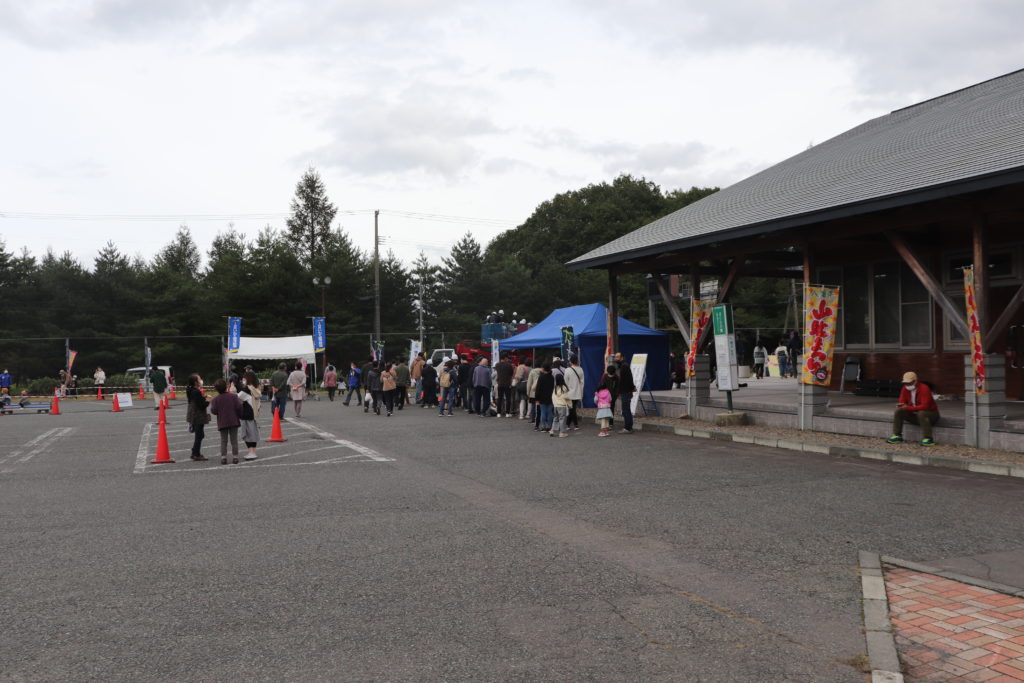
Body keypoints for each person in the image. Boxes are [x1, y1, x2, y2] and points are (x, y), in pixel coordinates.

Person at [887, 371, 940, 446]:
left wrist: (908, 408)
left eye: (910, 383)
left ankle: (928, 438)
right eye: (905, 383)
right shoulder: (905, 389)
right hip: (916, 415)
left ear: (915, 381)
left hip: (931, 416)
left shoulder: (924, 388)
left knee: (922, 413)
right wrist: (901, 406)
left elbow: (925, 406)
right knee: (898, 411)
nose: (907, 385)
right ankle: (897, 436)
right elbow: (902, 401)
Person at [209, 378, 242, 465]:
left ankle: (223, 458)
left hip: (222, 421)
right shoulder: (234, 396)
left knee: (224, 441)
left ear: (216, 389)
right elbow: (239, 407)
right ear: (226, 386)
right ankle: (235, 457)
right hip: (233, 420)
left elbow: (214, 411)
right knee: (234, 440)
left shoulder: (215, 399)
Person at [185, 373, 210, 461]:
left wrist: (203, 397)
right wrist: (207, 401)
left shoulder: (191, 389)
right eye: (199, 379)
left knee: (200, 434)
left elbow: (197, 401)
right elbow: (201, 406)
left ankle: (194, 451)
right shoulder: (196, 391)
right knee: (199, 435)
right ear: (195, 382)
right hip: (197, 416)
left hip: (193, 415)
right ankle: (196, 454)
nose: (201, 380)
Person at [238, 371, 261, 460]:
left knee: (247, 434)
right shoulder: (256, 389)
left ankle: (251, 452)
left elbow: (237, 398)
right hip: (254, 414)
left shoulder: (246, 390)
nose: (242, 380)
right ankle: (253, 452)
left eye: (244, 378)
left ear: (247, 379)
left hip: (246, 414)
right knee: (253, 433)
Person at [614, 352, 635, 434]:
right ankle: (629, 427)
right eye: (615, 357)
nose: (616, 359)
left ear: (622, 358)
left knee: (626, 410)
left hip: (626, 391)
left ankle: (627, 428)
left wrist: (631, 388)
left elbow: (629, 379)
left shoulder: (624, 366)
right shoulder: (623, 366)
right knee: (627, 410)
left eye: (618, 357)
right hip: (626, 391)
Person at [564, 356, 584, 431]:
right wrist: (581, 392)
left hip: (569, 393)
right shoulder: (581, 369)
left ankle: (568, 424)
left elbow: (565, 382)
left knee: (571, 409)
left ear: (571, 362)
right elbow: (582, 382)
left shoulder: (567, 370)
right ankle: (575, 425)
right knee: (573, 409)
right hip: (578, 392)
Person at [534, 362, 555, 432]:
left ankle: (543, 426)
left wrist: (536, 398)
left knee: (543, 412)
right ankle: (549, 426)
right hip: (550, 397)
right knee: (549, 413)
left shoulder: (541, 377)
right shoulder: (552, 377)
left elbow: (538, 388)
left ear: (544, 369)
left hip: (542, 397)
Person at [494, 352, 515, 417]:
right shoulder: (509, 365)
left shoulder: (497, 365)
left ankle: (498, 413)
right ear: (505, 358)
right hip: (507, 384)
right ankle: (507, 413)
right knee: (508, 399)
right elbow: (511, 374)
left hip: (500, 383)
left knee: (500, 398)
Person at [551, 373, 571, 438]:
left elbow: (553, 397)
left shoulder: (555, 388)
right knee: (562, 419)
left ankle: (552, 430)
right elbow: (567, 397)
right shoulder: (564, 387)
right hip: (562, 406)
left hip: (555, 405)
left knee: (555, 418)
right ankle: (562, 433)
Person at [602, 365, 619, 429]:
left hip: (607, 396)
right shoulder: (617, 377)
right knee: (611, 410)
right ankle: (610, 424)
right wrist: (615, 396)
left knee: (607, 410)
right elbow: (618, 389)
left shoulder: (605, 376)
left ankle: (607, 424)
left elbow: (601, 385)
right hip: (611, 397)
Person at [527, 359, 543, 427]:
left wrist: (528, 392)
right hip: (542, 391)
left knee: (533, 406)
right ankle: (541, 419)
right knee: (541, 406)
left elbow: (529, 383)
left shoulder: (532, 371)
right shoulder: (543, 371)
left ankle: (533, 418)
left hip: (533, 391)